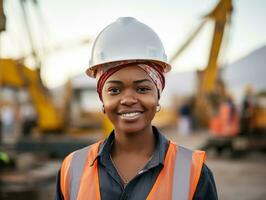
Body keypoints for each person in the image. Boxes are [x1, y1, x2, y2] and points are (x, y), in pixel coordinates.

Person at [55, 17, 217, 200]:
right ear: (102, 99)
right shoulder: (73, 168)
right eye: (114, 90)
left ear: (157, 96)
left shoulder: (193, 172)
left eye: (142, 89)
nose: (129, 99)